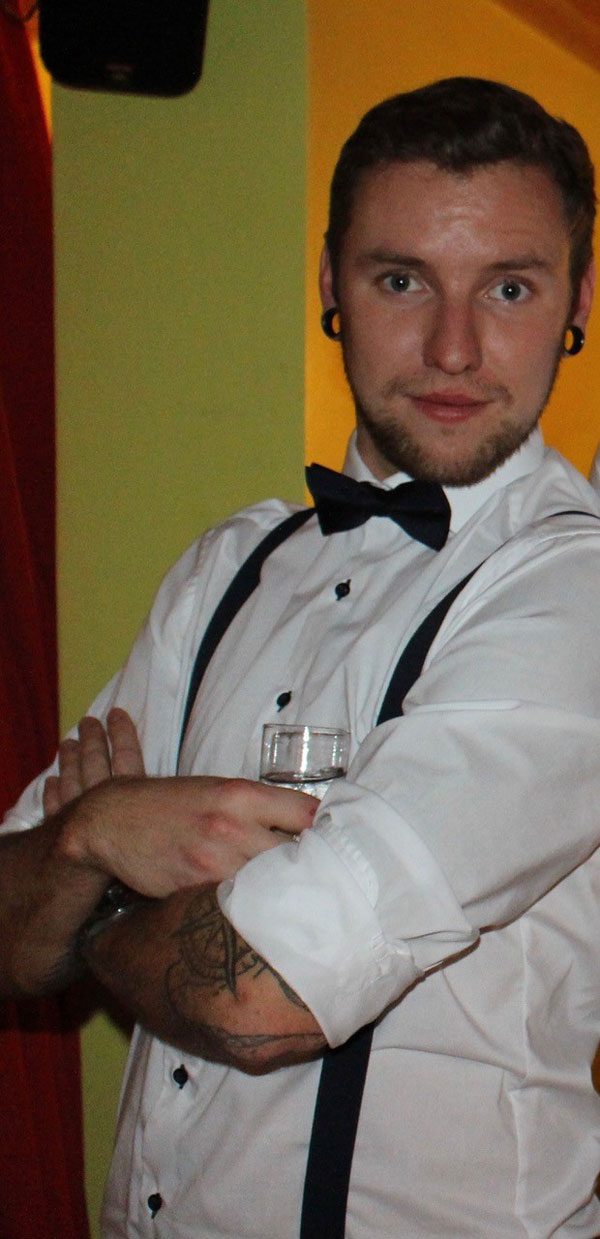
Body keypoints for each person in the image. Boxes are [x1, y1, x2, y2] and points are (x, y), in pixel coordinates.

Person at [2, 76, 600, 1237]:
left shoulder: (574, 592)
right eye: (401, 280)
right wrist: (87, 838)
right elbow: (10, 931)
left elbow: (260, 997)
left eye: (509, 288)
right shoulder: (227, 566)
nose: (454, 347)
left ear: (577, 299)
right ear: (331, 284)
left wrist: (98, 900)